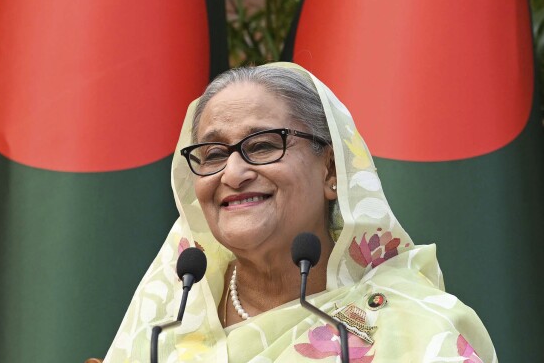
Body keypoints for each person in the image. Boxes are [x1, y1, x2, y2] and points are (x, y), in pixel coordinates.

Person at [101, 62, 496, 362]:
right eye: (214, 154)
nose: (234, 174)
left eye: (263, 145)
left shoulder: (415, 327)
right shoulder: (169, 315)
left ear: (330, 170)